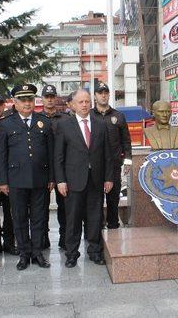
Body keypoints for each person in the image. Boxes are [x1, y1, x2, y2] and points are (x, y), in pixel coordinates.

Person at [54, 89, 113, 268]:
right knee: (72, 219)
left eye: (87, 101)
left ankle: (95, 251)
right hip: (73, 182)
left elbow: (107, 155)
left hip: (95, 180)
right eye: (81, 102)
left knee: (95, 218)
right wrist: (60, 180)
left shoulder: (100, 124)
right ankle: (71, 254)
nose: (85, 105)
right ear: (72, 105)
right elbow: (58, 156)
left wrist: (109, 178)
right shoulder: (64, 125)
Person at [0, 84, 53, 270]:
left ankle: (37, 253)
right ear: (15, 102)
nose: (27, 103)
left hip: (40, 178)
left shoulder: (44, 121)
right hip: (16, 179)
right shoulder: (6, 124)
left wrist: (51, 178)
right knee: (19, 218)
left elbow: (50, 154)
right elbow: (1, 155)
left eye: (30, 99)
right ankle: (24, 254)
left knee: (39, 218)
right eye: (23, 100)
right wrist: (3, 181)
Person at [92, 82, 132, 230]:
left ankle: (113, 225)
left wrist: (127, 161)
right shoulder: (90, 115)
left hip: (114, 164)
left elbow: (126, 141)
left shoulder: (118, 116)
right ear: (95, 96)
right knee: (95, 199)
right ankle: (97, 227)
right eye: (100, 93)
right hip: (94, 165)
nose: (103, 95)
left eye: (106, 92)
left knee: (113, 198)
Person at [39, 84, 68, 250]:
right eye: (46, 97)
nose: (49, 100)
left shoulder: (65, 118)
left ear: (55, 98)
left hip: (62, 167)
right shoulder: (37, 119)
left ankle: (64, 238)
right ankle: (43, 238)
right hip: (43, 167)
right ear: (42, 99)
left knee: (64, 206)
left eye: (52, 96)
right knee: (41, 207)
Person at [0, 92, 18, 256]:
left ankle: (9, 242)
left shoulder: (10, 122)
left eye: (0, 104)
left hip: (9, 174)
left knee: (10, 211)